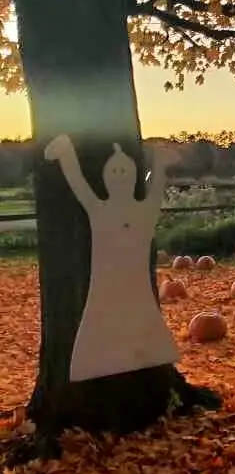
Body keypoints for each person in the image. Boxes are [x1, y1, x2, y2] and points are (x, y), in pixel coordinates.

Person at [44, 135, 180, 382]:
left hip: (134, 283)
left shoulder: (142, 212)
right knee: (104, 318)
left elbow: (157, 188)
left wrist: (160, 164)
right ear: (107, 178)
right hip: (106, 283)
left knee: (138, 316)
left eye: (123, 171)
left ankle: (141, 354)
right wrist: (66, 154)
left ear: (132, 176)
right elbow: (79, 184)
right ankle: (103, 359)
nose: (119, 175)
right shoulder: (100, 209)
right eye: (114, 171)